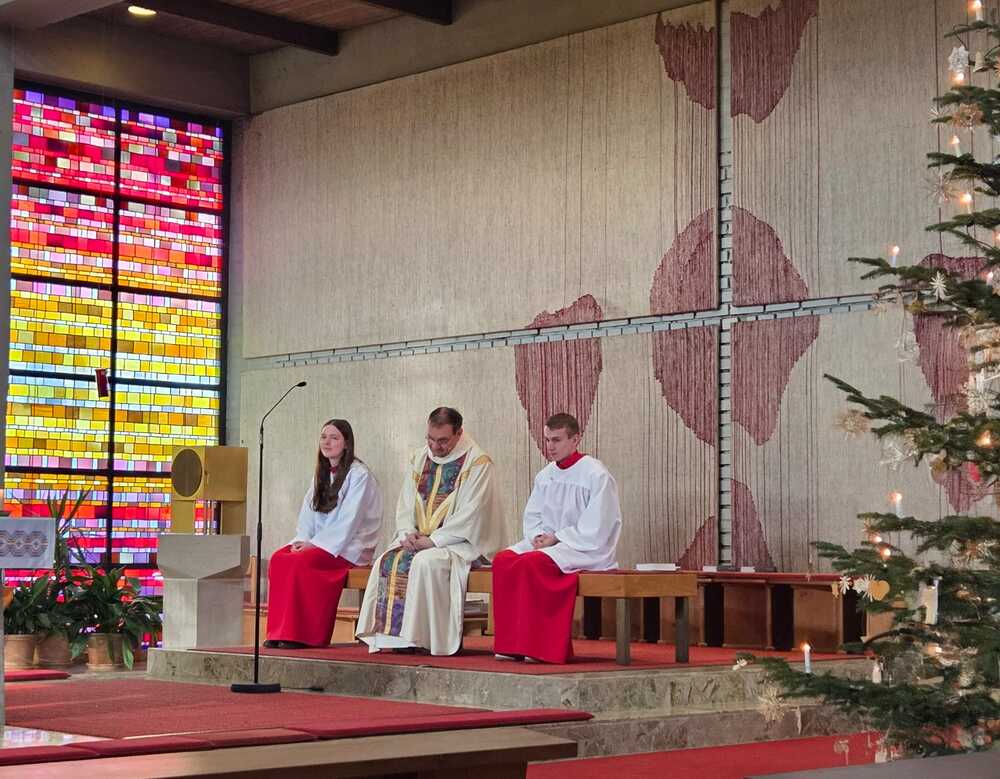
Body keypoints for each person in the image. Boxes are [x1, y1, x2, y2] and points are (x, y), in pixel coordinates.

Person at [357, 407, 504, 656]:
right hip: (420, 540)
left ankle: (422, 638)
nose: (435, 447)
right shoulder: (419, 458)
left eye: (443, 441)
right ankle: (396, 639)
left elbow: (473, 513)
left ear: (458, 433)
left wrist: (434, 540)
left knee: (425, 563)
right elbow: (405, 503)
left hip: (461, 542)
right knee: (387, 560)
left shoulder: (477, 462)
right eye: (430, 439)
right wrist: (407, 533)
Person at [491, 412, 621, 663]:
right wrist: (538, 537)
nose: (550, 447)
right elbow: (533, 515)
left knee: (534, 563)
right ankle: (512, 644)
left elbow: (598, 525)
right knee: (503, 560)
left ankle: (542, 647)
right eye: (548, 440)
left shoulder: (595, 474)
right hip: (550, 543)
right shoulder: (546, 475)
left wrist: (557, 538)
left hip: (583, 547)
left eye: (557, 440)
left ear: (575, 439)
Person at [264, 419, 383, 649]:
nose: (327, 442)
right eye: (324, 437)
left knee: (302, 562)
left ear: (346, 443)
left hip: (349, 546)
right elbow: (308, 515)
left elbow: (349, 520)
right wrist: (303, 540)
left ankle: (303, 635)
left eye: (334, 438)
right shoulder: (321, 473)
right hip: (319, 543)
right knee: (279, 559)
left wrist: (316, 545)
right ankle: (280, 632)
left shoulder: (359, 474)